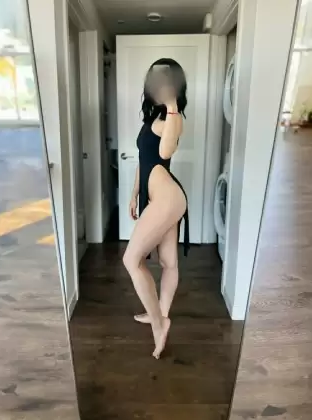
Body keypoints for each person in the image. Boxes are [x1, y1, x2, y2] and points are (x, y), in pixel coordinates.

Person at [122, 58, 189, 359]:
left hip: (167, 198)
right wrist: (134, 193)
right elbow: (144, 159)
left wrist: (172, 104)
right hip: (159, 197)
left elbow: (165, 151)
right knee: (168, 261)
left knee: (131, 259)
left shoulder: (174, 118)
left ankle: (160, 324)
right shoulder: (152, 119)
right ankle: (159, 314)